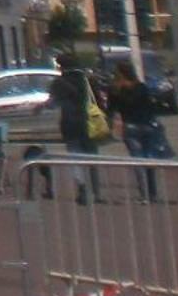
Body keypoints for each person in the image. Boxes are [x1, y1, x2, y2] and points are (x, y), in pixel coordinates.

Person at [109, 62, 167, 202]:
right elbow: (151, 105)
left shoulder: (118, 90)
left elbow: (113, 108)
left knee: (138, 160)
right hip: (146, 125)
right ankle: (152, 193)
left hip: (131, 127)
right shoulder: (142, 87)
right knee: (148, 160)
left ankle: (145, 194)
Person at [49, 54, 100, 203]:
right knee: (93, 157)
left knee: (75, 157)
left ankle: (83, 188)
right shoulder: (87, 80)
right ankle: (96, 191)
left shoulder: (59, 82)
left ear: (61, 66)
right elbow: (98, 99)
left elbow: (53, 103)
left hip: (70, 123)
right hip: (89, 122)